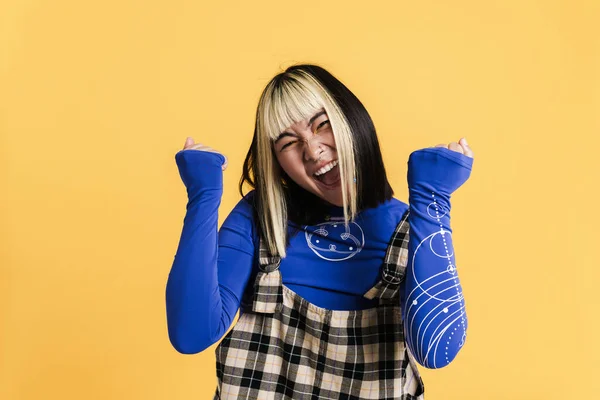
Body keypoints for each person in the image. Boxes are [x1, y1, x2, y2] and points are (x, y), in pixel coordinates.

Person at [165, 64, 474, 399]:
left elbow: (437, 349)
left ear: (351, 120)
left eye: (322, 125)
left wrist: (432, 201)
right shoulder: (261, 217)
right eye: (288, 143)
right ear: (276, 161)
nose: (312, 151)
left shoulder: (409, 228)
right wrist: (203, 196)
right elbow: (191, 334)